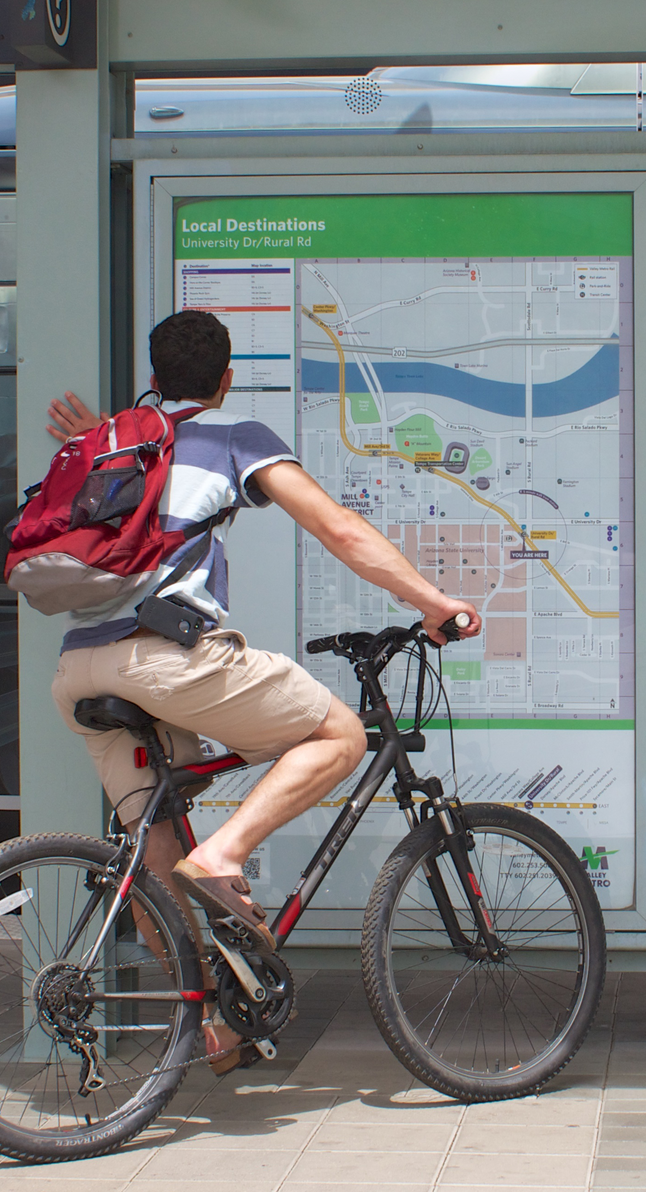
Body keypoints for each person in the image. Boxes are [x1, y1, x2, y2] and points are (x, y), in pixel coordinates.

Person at [44, 309, 480, 957]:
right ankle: (223, 856)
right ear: (226, 378)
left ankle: (209, 1026)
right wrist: (434, 601)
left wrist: (97, 438)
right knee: (341, 735)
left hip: (79, 667)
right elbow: (339, 529)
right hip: (162, 659)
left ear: (155, 377)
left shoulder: (119, 439)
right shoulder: (234, 434)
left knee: (156, 849)